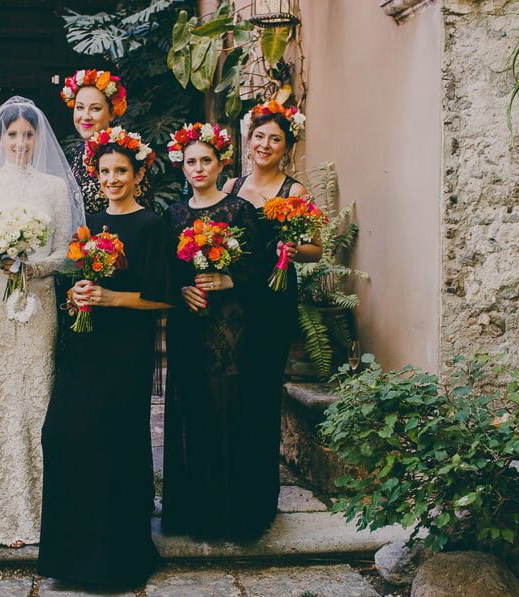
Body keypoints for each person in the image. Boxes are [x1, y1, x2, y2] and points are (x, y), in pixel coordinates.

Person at [38, 127, 167, 590]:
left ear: (136, 175)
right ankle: (69, 554)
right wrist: (77, 294)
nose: (112, 178)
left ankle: (115, 559)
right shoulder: (88, 223)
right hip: (83, 346)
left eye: (121, 171)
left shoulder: (151, 225)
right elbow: (72, 283)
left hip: (125, 351)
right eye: (105, 170)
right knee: (61, 435)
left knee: (112, 443)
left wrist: (111, 298)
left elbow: (162, 297)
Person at [0, 97, 83, 549]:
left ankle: (43, 509)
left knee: (36, 391)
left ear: (38, 138)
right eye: (12, 134)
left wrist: (32, 266)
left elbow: (68, 251)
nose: (20, 143)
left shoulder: (53, 187)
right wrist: (0, 253)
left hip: (39, 299)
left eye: (28, 135)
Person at [160, 122, 277, 540]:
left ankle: (234, 514)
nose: (197, 168)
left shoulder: (239, 210)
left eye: (205, 160)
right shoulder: (173, 214)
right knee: (195, 411)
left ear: (220, 163)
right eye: (190, 161)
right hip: (189, 324)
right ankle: (197, 513)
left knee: (229, 409)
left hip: (231, 328)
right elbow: (165, 270)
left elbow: (263, 265)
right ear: (182, 166)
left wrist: (231, 281)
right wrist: (180, 290)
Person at [222, 101, 322, 519]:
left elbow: (316, 249)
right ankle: (227, 485)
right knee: (232, 392)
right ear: (249, 139)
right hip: (232, 303)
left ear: (287, 147)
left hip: (273, 301)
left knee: (263, 392)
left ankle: (259, 498)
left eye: (275, 139)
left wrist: (293, 249)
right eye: (259, 136)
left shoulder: (293, 192)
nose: (265, 144)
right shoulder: (229, 186)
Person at [59, 68, 152, 213]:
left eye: (95, 109)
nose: (85, 116)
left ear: (112, 113)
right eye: (80, 108)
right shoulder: (74, 153)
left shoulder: (126, 152)